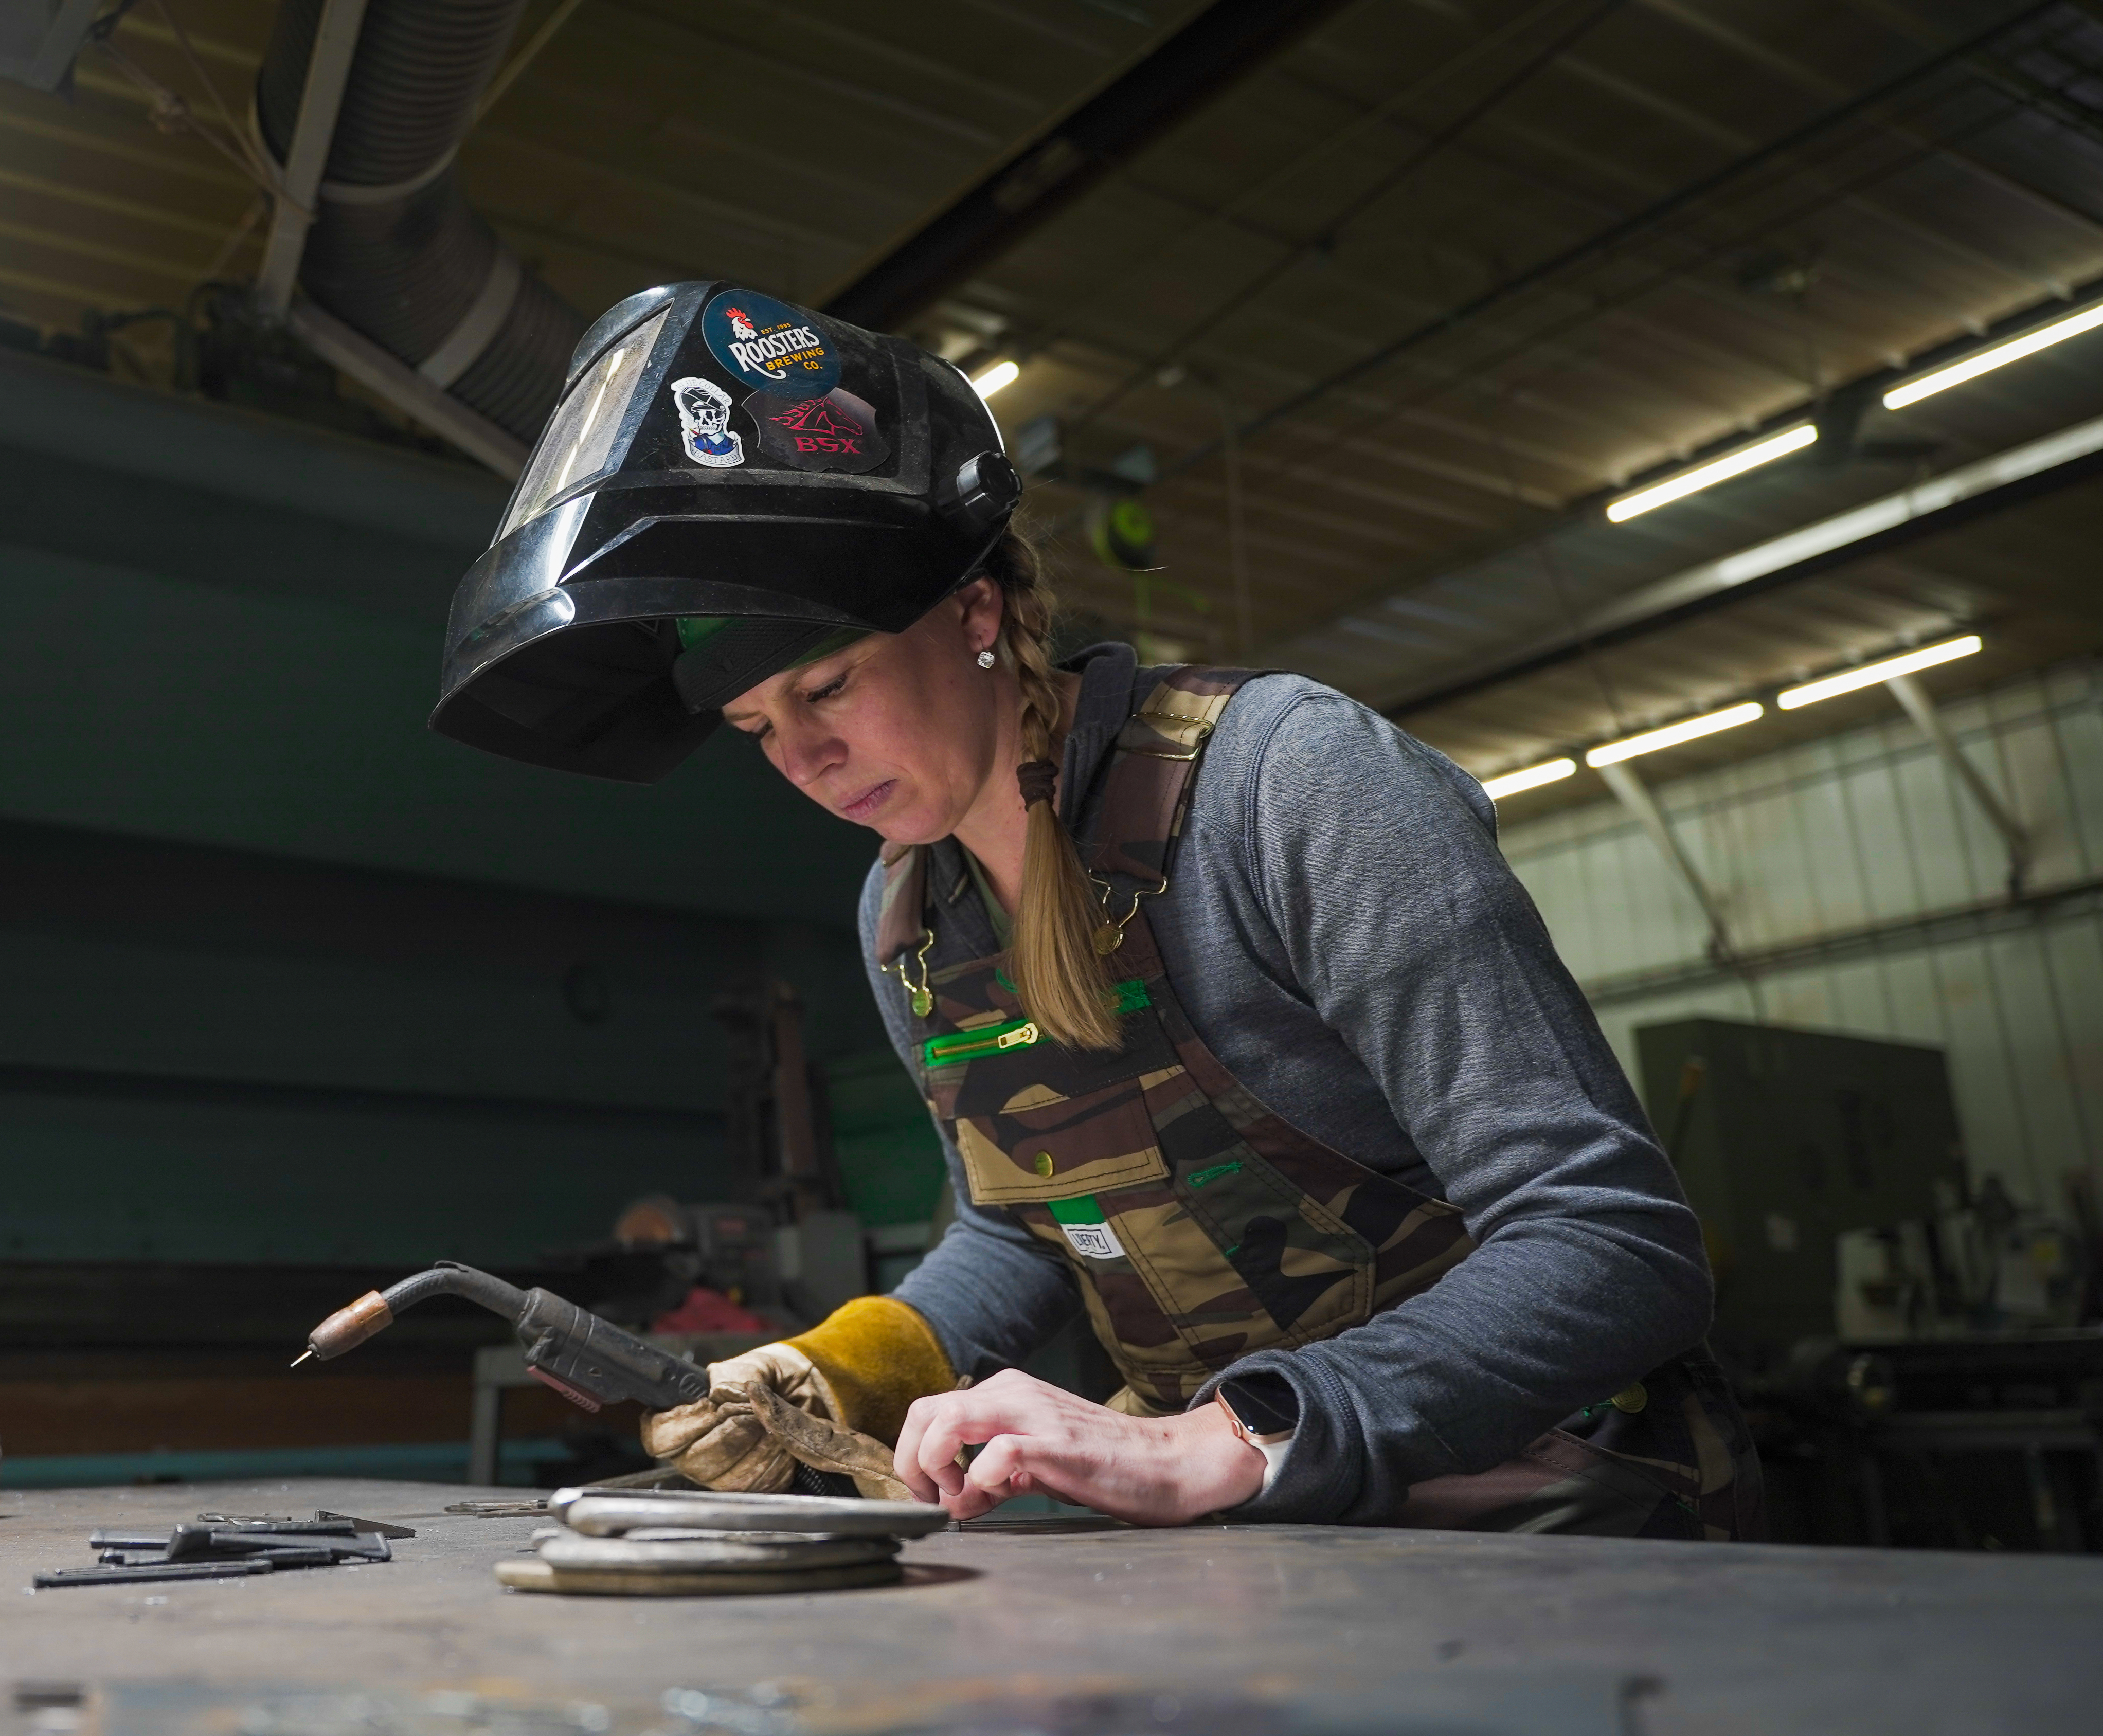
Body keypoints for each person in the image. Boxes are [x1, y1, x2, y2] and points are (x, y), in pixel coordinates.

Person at [429, 282, 1761, 1537]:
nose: (804, 761)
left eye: (827, 688)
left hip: (1554, 1523)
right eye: (753, 726)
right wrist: (846, 1366)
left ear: (975, 612)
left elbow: (1613, 1243)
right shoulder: (904, 919)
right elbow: (1025, 1228)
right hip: (1272, 1553)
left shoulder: (1283, 786)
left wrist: (1211, 1445)